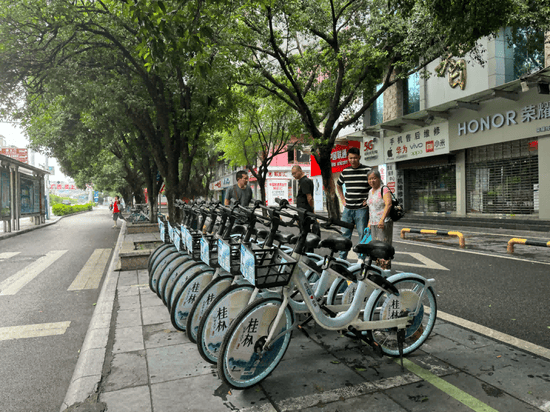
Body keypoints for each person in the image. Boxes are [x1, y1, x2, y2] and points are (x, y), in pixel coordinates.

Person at [336, 147, 371, 259]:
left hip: (362, 209)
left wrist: (369, 200)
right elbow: (338, 184)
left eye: (355, 158)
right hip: (348, 209)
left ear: (359, 157)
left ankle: (361, 260)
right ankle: (342, 259)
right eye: (350, 158)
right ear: (348, 158)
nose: (353, 160)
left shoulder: (368, 170)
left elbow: (375, 187)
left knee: (363, 234)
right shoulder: (345, 171)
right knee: (345, 234)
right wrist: (342, 199)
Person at [366, 170, 393, 269]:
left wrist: (382, 219)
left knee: (384, 247)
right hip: (373, 223)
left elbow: (388, 204)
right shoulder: (370, 191)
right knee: (376, 247)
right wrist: (369, 224)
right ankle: (379, 270)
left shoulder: (384, 189)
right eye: (369, 179)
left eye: (374, 178)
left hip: (383, 223)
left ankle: (385, 270)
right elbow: (371, 208)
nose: (372, 181)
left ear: (379, 178)